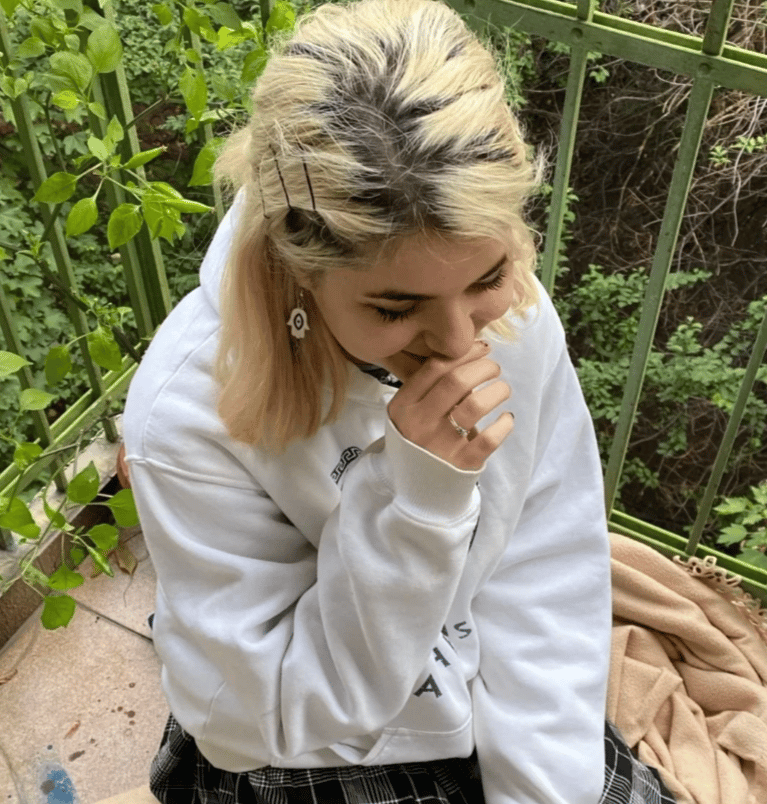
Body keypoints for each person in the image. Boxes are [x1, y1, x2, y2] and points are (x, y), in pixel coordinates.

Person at [123, 0, 676, 801]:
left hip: (490, 699)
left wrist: (542, 785)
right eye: (393, 309)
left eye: (487, 277)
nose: (458, 345)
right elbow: (251, 718)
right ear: (294, 268)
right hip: (308, 751)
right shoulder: (186, 413)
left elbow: (543, 562)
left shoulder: (508, 312)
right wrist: (415, 506)